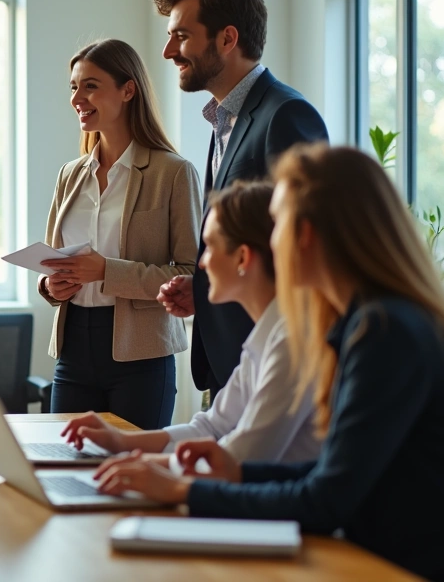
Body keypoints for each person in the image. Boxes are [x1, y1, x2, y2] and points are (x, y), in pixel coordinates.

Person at [92, 145, 444, 582]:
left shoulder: (384, 330)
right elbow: (338, 469)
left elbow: (326, 501)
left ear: (308, 234)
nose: (270, 242)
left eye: (278, 224)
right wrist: (239, 472)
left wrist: (186, 489)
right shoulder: (374, 320)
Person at [152, 0, 328, 397]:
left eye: (181, 36)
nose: (168, 51)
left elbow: (303, 251)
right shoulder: (223, 119)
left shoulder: (286, 116)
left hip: (272, 367)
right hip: (228, 363)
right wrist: (206, 291)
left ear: (227, 39)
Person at [61, 181, 318, 462]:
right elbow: (209, 428)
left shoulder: (290, 344)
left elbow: (239, 460)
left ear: (242, 258)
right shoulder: (264, 338)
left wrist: (141, 464)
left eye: (208, 247)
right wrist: (120, 441)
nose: (202, 264)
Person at [36, 39, 200, 430]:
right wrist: (50, 285)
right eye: (74, 87)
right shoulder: (70, 174)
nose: (78, 97)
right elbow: (50, 262)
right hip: (73, 349)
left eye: (90, 85)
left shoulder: (173, 173)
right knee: (65, 471)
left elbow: (192, 275)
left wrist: (105, 271)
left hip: (141, 356)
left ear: (128, 90)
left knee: (131, 478)